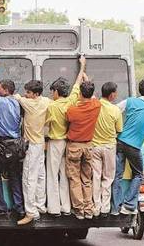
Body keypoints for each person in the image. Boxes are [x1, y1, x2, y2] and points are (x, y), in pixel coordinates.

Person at [111, 79, 144, 215]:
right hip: (134, 146)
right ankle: (129, 205)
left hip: (120, 141)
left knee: (117, 175)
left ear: (139, 90)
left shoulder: (130, 101)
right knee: (138, 174)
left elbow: (115, 110)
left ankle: (115, 207)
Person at [45, 57, 85, 217]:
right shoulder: (71, 101)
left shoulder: (51, 106)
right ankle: (66, 207)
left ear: (56, 92)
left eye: (52, 91)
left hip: (55, 143)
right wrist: (83, 65)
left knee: (52, 175)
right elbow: (77, 83)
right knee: (66, 175)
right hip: (68, 143)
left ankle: (54, 208)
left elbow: (45, 126)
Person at [13, 80, 51, 225]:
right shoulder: (46, 101)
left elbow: (16, 97)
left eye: (28, 92)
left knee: (28, 179)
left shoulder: (28, 103)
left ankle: (31, 212)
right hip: (41, 143)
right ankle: (40, 205)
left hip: (32, 145)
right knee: (41, 176)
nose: (25, 94)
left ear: (35, 94)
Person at [0, 80, 25, 218]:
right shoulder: (16, 102)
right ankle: (19, 207)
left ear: (6, 90)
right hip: (15, 144)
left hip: (2, 144)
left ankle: (1, 206)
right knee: (15, 176)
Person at [66, 79, 101, 220]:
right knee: (87, 179)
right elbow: (93, 98)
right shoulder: (97, 106)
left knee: (74, 179)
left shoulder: (72, 110)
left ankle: (79, 210)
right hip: (88, 146)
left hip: (74, 146)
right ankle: (88, 209)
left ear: (79, 93)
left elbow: (67, 118)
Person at [91, 82, 123, 217]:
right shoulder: (115, 110)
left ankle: (96, 206)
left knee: (96, 176)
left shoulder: (95, 105)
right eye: (115, 92)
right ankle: (105, 207)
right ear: (111, 95)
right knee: (108, 178)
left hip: (94, 146)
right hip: (109, 147)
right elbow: (119, 129)